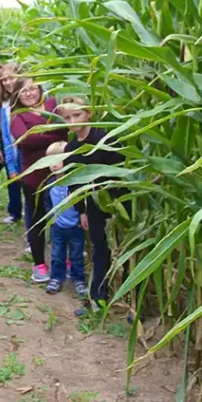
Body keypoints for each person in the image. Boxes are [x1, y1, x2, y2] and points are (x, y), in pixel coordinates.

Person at [60, 96, 129, 317]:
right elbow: (73, 182)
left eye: (77, 115)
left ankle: (129, 301)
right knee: (100, 252)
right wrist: (81, 211)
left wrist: (116, 205)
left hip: (116, 205)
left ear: (88, 113)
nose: (73, 121)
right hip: (93, 208)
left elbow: (119, 172)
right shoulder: (71, 147)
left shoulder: (104, 138)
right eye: (67, 118)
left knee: (122, 252)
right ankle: (98, 298)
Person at [10, 76, 67, 283]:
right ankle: (39, 265)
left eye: (33, 89)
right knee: (37, 220)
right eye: (23, 91)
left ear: (40, 88)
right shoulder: (18, 115)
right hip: (34, 176)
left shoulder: (53, 105)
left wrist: (40, 135)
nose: (29, 94)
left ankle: (65, 261)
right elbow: (25, 140)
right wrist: (55, 134)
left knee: (64, 218)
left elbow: (66, 129)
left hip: (61, 172)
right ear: (16, 96)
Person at [43, 141, 87, 296]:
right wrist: (51, 218)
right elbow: (46, 202)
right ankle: (56, 278)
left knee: (77, 255)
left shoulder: (75, 183)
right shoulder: (50, 184)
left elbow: (82, 202)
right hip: (58, 227)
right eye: (50, 162)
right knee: (57, 254)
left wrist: (83, 217)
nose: (53, 165)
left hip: (75, 226)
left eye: (58, 161)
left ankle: (78, 279)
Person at [0, 63, 25, 226]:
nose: (8, 82)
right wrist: (10, 165)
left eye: (12, 78)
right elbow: (6, 137)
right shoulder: (5, 105)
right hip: (14, 152)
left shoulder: (29, 99)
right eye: (5, 80)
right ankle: (16, 213)